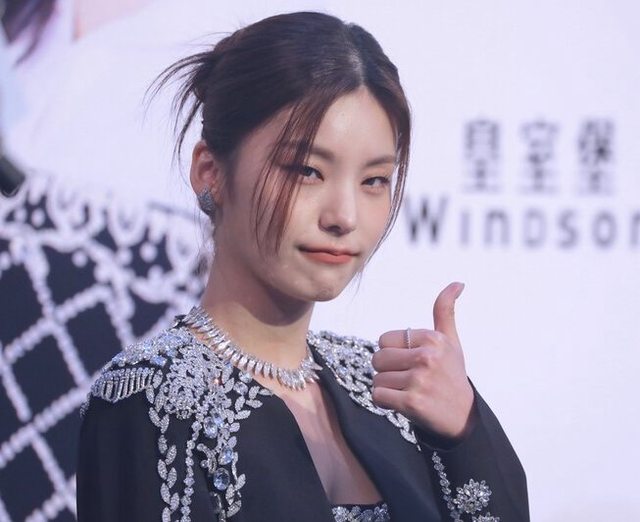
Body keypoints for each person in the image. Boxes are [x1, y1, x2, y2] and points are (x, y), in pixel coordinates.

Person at [76, 11, 529, 522]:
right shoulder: (149, 398)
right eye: (307, 171)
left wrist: (464, 433)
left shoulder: (387, 389)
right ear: (210, 172)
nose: (344, 216)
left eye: (374, 180)